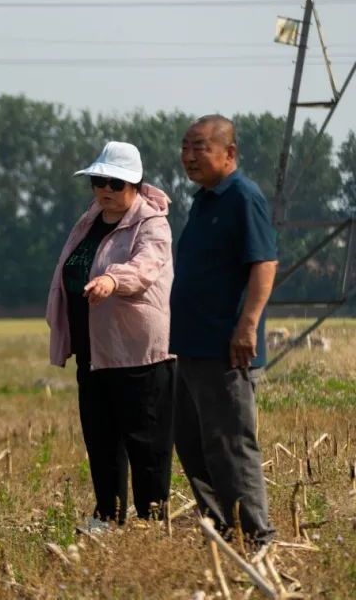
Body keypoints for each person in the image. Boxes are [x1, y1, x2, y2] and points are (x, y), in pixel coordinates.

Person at [46, 141, 176, 527]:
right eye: (98, 182)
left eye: (115, 183)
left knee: (146, 442)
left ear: (135, 184)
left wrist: (111, 279)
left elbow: (145, 267)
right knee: (101, 439)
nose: (105, 190)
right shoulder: (89, 221)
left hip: (139, 354)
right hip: (93, 351)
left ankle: (152, 521)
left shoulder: (152, 224)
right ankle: (106, 516)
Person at [172, 115, 278, 546]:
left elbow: (264, 264)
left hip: (225, 348)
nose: (189, 156)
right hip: (191, 346)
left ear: (229, 153)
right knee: (193, 443)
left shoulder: (242, 197)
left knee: (231, 445)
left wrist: (247, 327)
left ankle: (257, 538)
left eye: (200, 147)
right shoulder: (204, 200)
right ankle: (221, 531)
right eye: (185, 147)